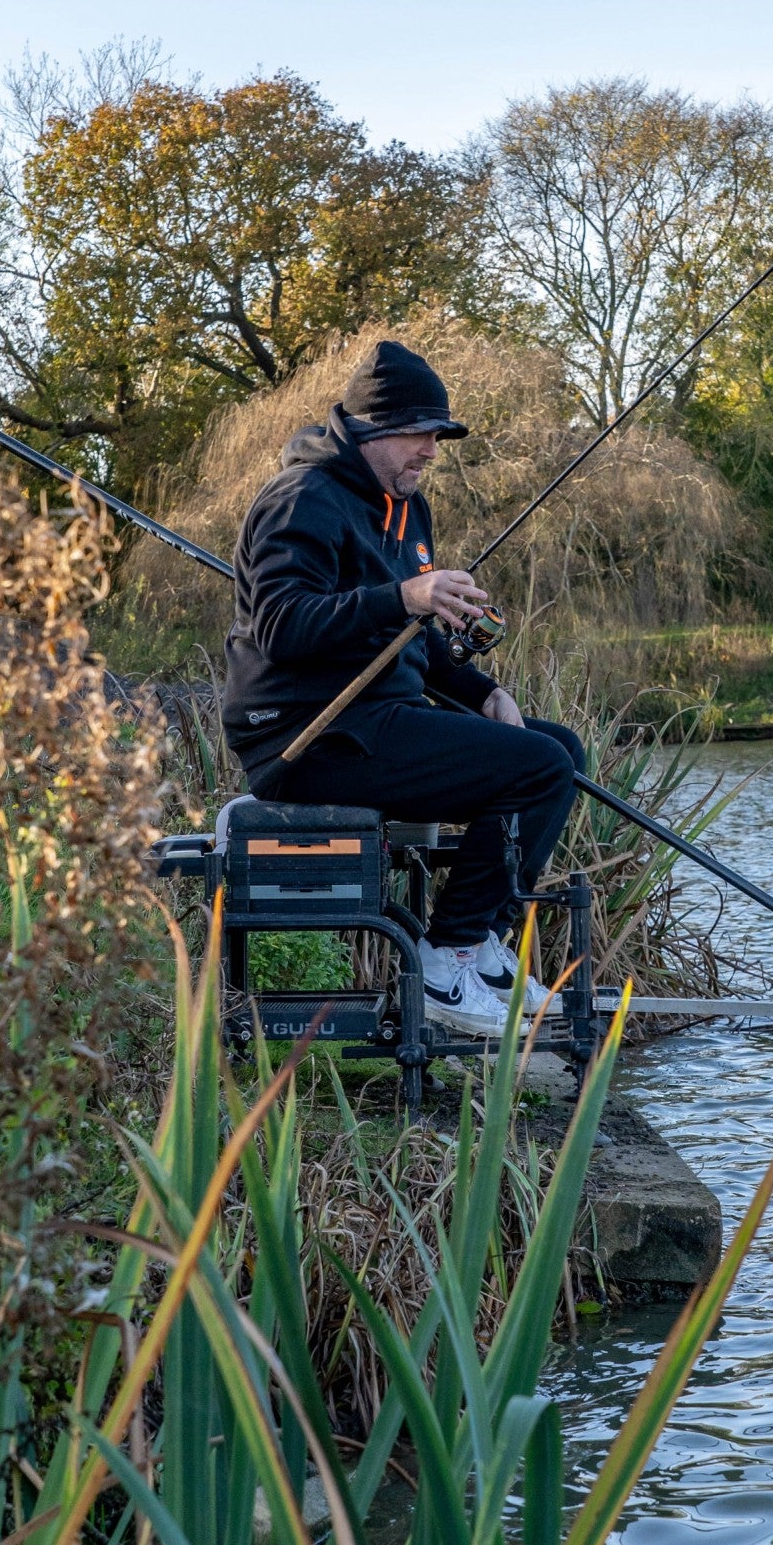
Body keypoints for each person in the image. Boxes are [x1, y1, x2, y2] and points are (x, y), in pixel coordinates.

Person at [221, 338, 584, 1035]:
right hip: (304, 736)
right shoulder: (302, 500)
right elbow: (282, 627)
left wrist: (480, 691)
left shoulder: (406, 507)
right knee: (535, 768)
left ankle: (478, 948)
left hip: (377, 719)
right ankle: (444, 962)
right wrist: (403, 595)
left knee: (555, 747)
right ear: (371, 431)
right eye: (421, 434)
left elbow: (409, 633)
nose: (432, 450)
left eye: (438, 436)